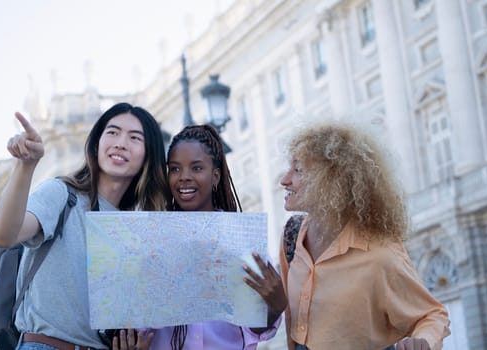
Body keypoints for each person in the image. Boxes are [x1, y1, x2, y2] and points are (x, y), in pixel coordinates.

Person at [0, 102, 169, 350]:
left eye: (134, 138)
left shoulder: (135, 230)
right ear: (96, 144)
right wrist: (26, 166)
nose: (120, 143)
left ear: (147, 155)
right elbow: (5, 236)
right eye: (113, 132)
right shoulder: (62, 195)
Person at [278, 121, 451, 350]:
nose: (284, 180)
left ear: (331, 181)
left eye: (298, 170)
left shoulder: (381, 254)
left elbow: (432, 315)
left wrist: (423, 342)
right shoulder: (292, 236)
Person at [136, 124, 287, 350]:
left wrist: (274, 309)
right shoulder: (151, 242)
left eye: (196, 168)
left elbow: (252, 327)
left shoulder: (242, 240)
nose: (183, 177)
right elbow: (138, 319)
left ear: (215, 176)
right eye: (175, 169)